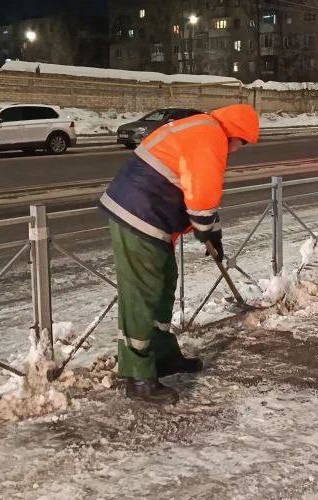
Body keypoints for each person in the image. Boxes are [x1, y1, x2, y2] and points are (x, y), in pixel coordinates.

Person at [99, 104, 260, 403]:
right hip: (139, 215)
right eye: (242, 143)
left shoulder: (201, 128)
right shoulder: (210, 137)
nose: (239, 150)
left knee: (163, 284)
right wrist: (207, 230)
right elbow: (201, 196)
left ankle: (163, 357)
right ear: (235, 134)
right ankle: (137, 375)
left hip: (151, 216)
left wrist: (214, 232)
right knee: (142, 294)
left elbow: (196, 190)